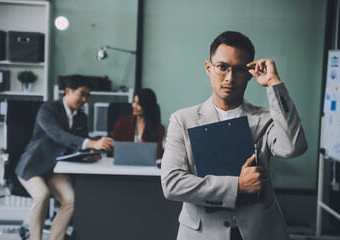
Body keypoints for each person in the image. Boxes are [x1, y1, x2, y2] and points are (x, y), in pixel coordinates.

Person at [161, 31, 308, 240]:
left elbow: (294, 147)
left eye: (239, 69)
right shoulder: (182, 120)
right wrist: (237, 185)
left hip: (259, 232)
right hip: (202, 233)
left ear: (249, 73)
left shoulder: (266, 119)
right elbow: (172, 184)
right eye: (222, 67)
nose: (229, 78)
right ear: (208, 68)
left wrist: (274, 83)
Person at [15, 75, 114, 240]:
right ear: (68, 91)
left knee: (71, 200)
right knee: (42, 195)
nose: (85, 100)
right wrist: (91, 143)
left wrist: (90, 154)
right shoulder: (48, 109)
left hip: (54, 168)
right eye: (82, 94)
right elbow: (58, 135)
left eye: (87, 96)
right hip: (33, 165)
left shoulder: (81, 117)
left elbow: (80, 144)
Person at [112, 88, 165, 158]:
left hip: (146, 165)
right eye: (134, 102)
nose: (134, 106)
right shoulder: (123, 122)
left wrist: (145, 148)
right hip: (124, 162)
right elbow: (113, 148)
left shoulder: (159, 128)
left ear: (147, 106)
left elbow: (158, 154)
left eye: (139, 104)